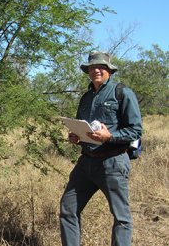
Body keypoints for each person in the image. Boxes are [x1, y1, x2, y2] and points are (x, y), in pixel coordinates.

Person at [59, 51, 142, 246]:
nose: (96, 70)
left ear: (108, 71)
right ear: (87, 71)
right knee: (68, 209)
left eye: (101, 67)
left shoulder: (122, 93)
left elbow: (135, 130)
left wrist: (110, 137)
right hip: (86, 162)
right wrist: (77, 137)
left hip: (113, 162)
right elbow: (84, 126)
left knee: (121, 216)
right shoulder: (86, 98)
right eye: (92, 67)